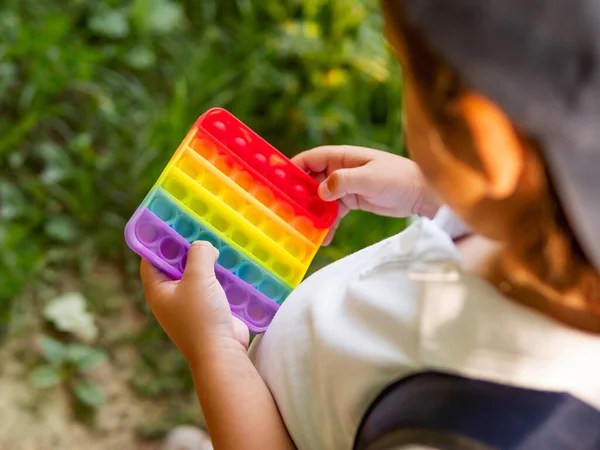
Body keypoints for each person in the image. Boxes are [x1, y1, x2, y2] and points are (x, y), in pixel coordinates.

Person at [142, 0, 600, 448]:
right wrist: (432, 192)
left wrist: (216, 352)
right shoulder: (561, 231)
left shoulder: (455, 430)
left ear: (481, 143)